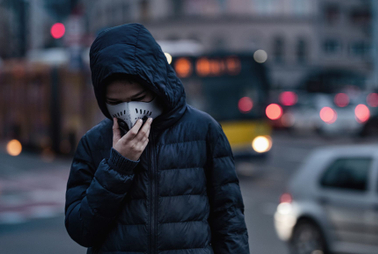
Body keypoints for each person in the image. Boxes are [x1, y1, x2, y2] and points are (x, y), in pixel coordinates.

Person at [64, 23, 249, 254]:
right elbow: (81, 229)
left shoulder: (203, 130)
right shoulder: (94, 142)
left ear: (157, 85)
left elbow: (229, 220)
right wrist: (117, 166)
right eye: (116, 103)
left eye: (139, 97)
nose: (129, 110)